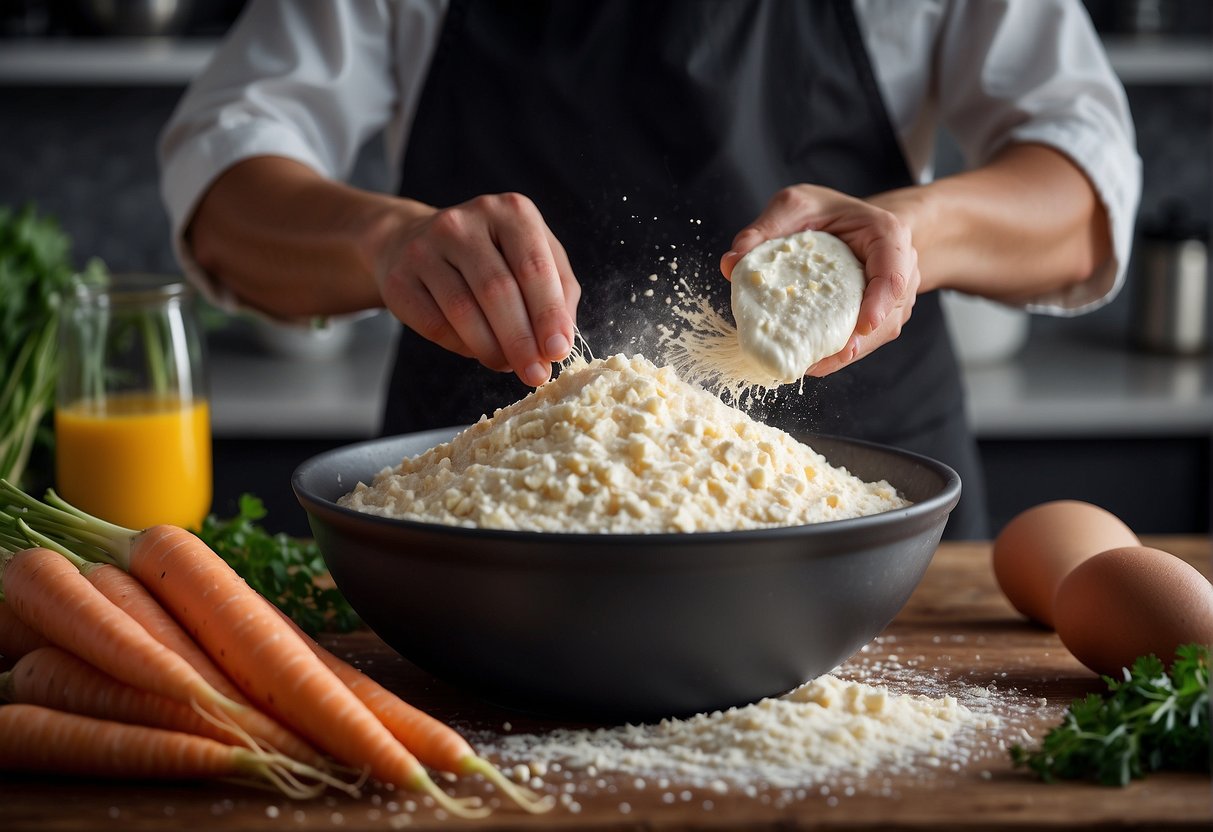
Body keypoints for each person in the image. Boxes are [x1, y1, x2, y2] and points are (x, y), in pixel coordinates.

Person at [158, 0, 1141, 540]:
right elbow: (222, 189)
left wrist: (906, 227)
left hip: (849, 542)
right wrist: (382, 241)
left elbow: (1084, 200)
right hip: (481, 552)